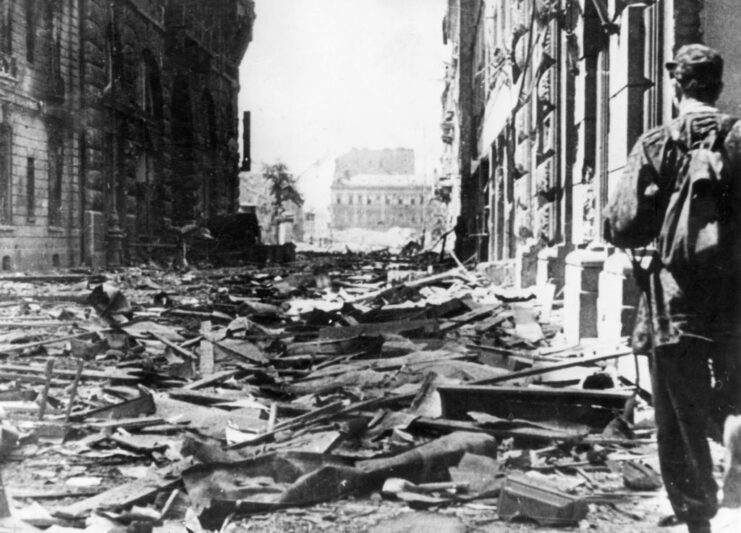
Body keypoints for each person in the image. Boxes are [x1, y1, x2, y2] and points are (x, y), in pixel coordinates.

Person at [603, 44, 741, 533]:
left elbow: (623, 227)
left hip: (672, 300)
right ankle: (735, 442)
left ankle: (696, 517)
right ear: (720, 87)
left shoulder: (656, 143)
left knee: (677, 415)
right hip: (735, 300)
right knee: (735, 396)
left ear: (678, 86)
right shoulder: (739, 137)